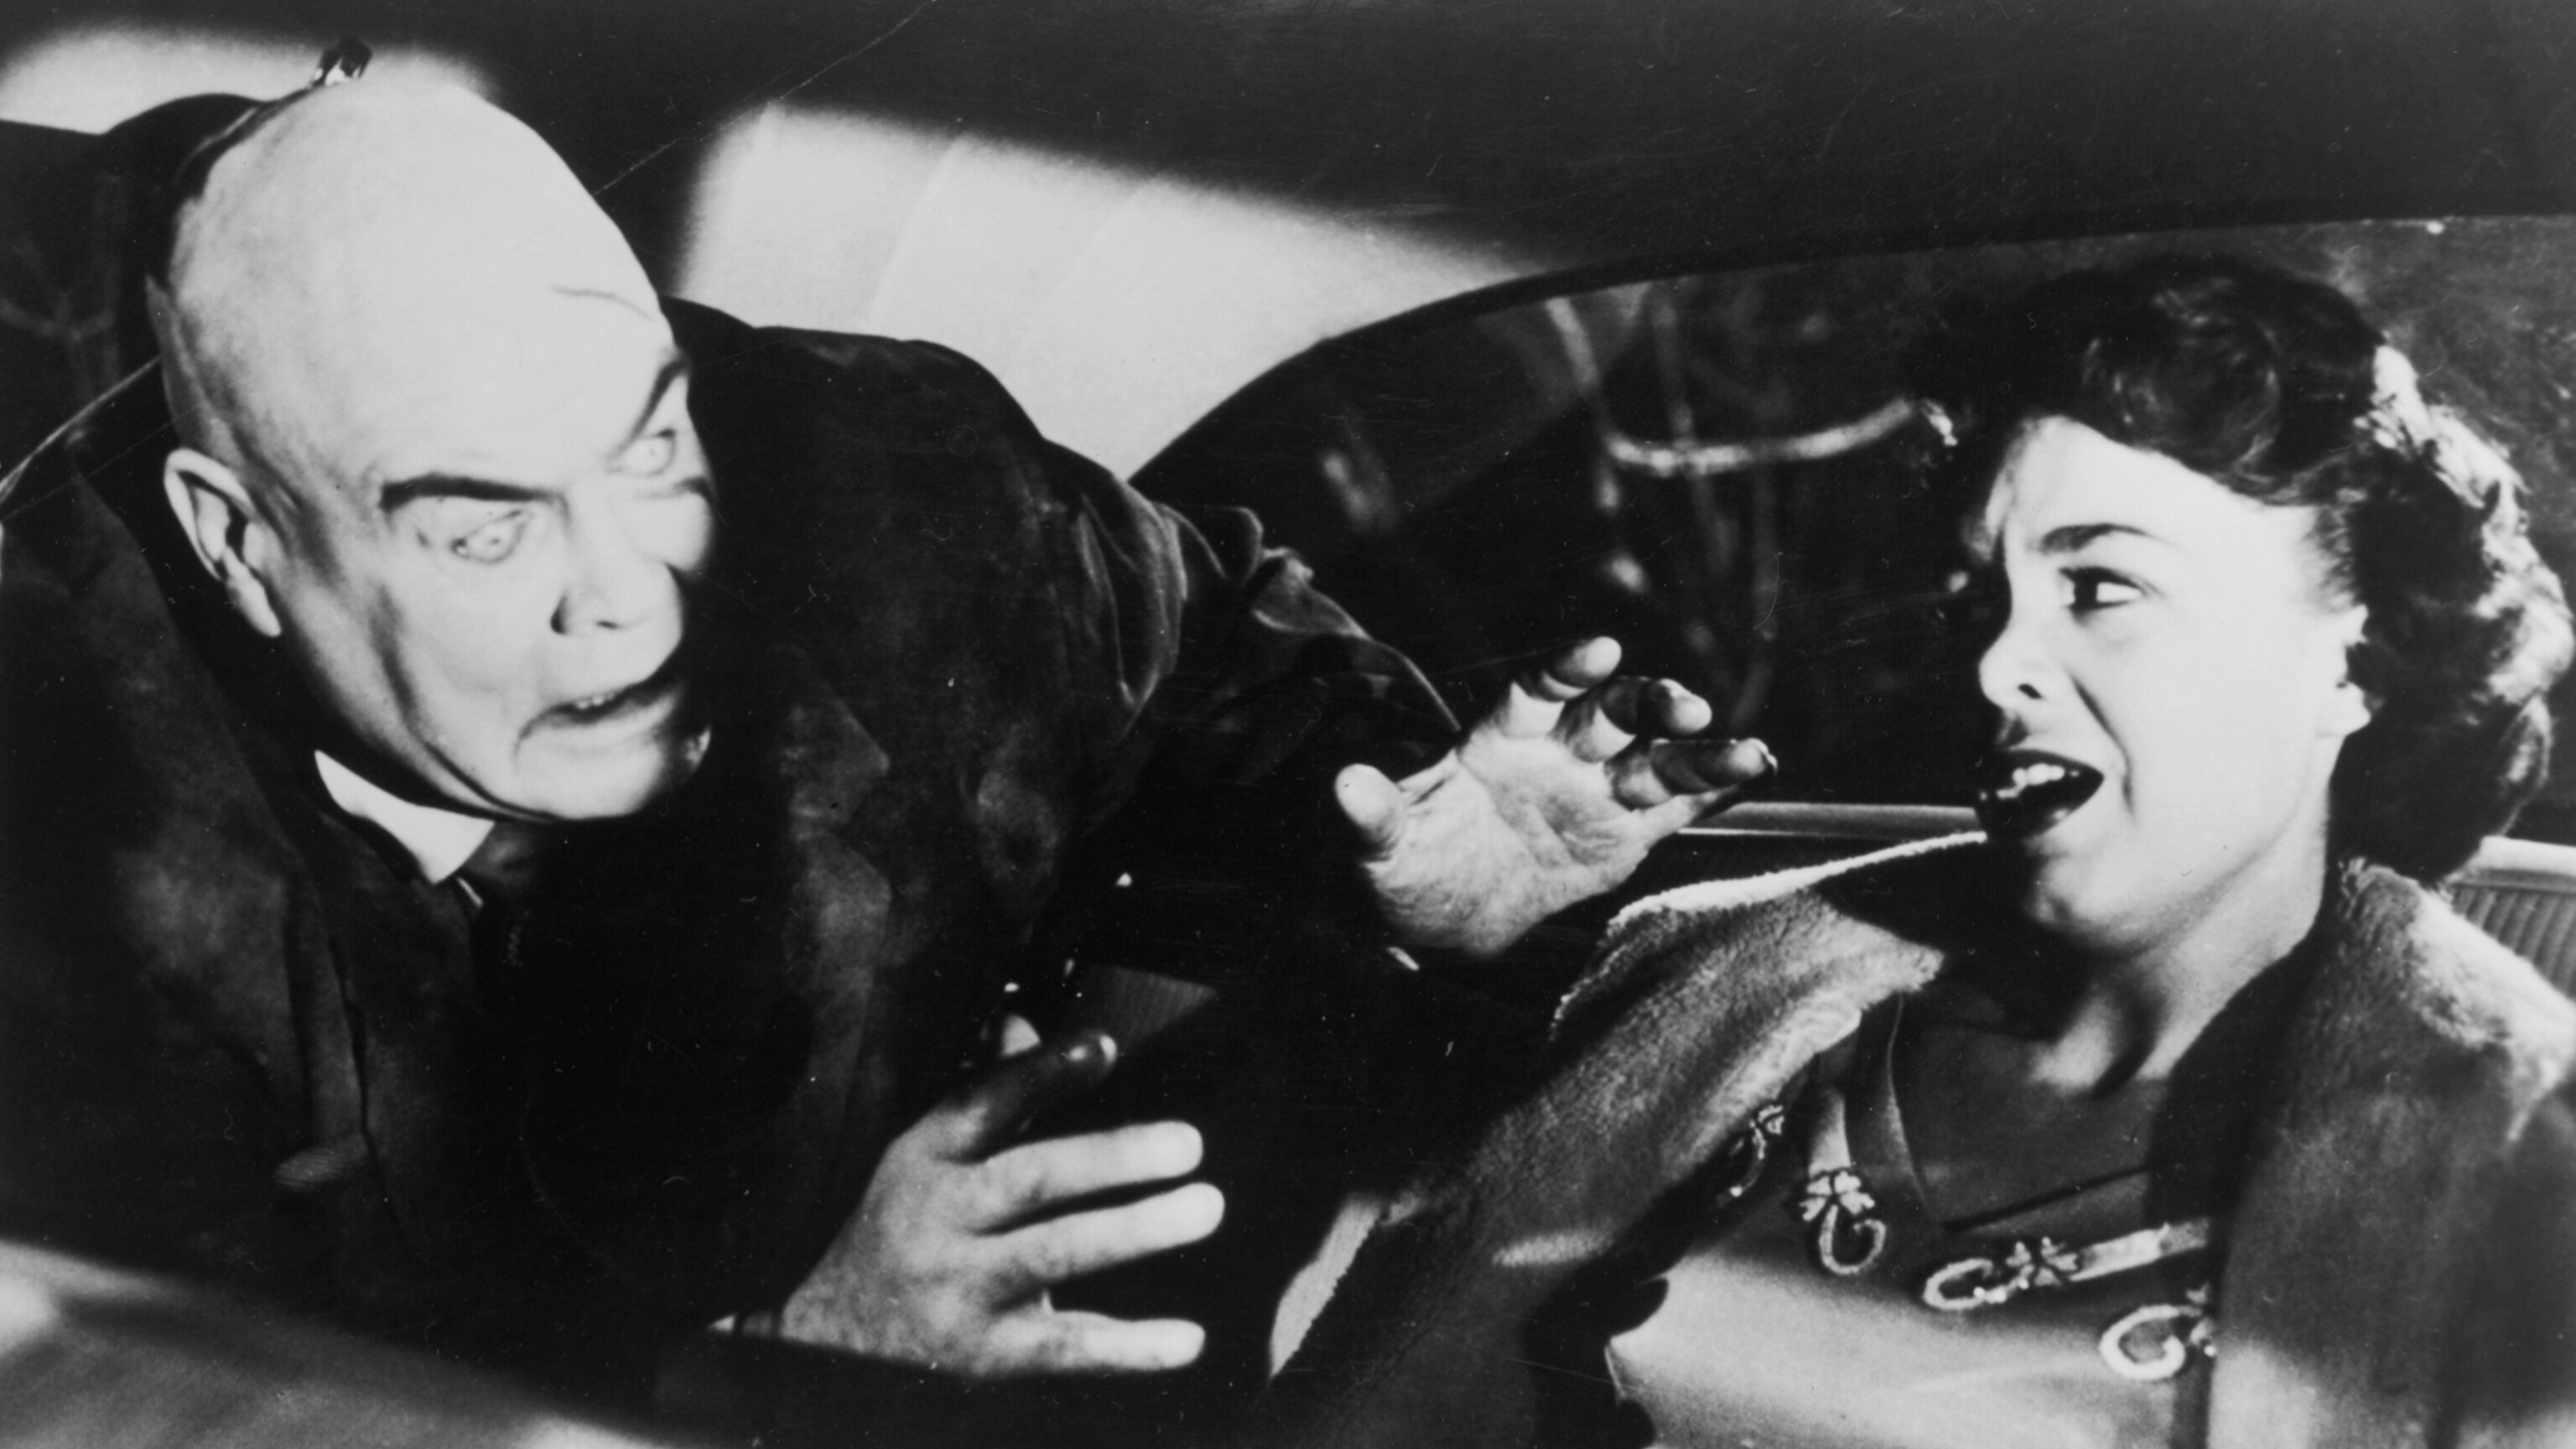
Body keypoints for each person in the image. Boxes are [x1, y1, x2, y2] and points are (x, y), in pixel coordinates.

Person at [0, 69, 1773, 1412]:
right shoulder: (54, 862)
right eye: (482, 530)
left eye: (649, 452)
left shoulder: (892, 498)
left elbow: (1212, 662)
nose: (631, 595)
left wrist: (1412, 869)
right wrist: (769, 1354)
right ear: (238, 542)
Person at [1254, 254, 2576, 1448]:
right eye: (1980, 596)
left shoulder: (2524, 1167)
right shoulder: (1719, 988)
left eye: (2102, 587)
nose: (1997, 665)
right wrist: (1445, 943)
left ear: (2357, 665)